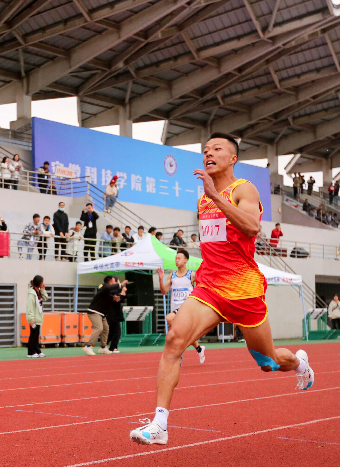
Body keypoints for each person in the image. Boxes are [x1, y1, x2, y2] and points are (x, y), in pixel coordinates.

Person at [130, 133, 313, 446]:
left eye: (217, 149)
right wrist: (211, 198)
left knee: (268, 362)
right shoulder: (202, 199)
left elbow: (253, 227)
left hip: (243, 290)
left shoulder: (244, 189)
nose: (208, 154)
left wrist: (216, 196)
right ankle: (160, 425)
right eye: (205, 150)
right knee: (174, 341)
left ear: (233, 158)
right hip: (210, 287)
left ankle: (299, 364)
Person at [158, 249, 206, 363]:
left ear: (186, 260)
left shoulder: (192, 275)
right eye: (176, 258)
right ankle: (199, 349)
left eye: (179, 258)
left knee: (170, 319)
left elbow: (202, 287)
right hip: (175, 308)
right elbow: (164, 291)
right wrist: (160, 279)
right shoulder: (172, 276)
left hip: (187, 308)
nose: (176, 260)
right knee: (181, 333)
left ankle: (178, 355)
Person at [84, 276, 127, 356]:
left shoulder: (108, 291)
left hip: (102, 313)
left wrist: (114, 298)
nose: (116, 283)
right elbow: (108, 289)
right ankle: (89, 346)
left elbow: (110, 297)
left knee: (106, 329)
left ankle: (103, 347)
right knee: (99, 328)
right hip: (94, 312)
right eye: (114, 281)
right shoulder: (104, 287)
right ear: (110, 282)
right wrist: (120, 284)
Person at [26, 275, 47, 358]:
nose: (43, 283)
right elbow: (30, 306)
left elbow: (45, 298)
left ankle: (37, 351)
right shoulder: (32, 293)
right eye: (42, 282)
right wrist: (31, 319)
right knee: (33, 335)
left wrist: (43, 290)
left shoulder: (38, 291)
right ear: (39, 283)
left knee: (36, 335)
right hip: (34, 318)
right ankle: (30, 352)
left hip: (38, 317)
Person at [106, 282, 126, 354]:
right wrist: (122, 292)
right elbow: (118, 299)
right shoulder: (110, 290)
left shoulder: (113, 290)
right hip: (112, 314)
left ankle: (104, 346)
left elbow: (121, 299)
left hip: (113, 314)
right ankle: (112, 347)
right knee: (117, 332)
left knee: (111, 332)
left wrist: (123, 293)